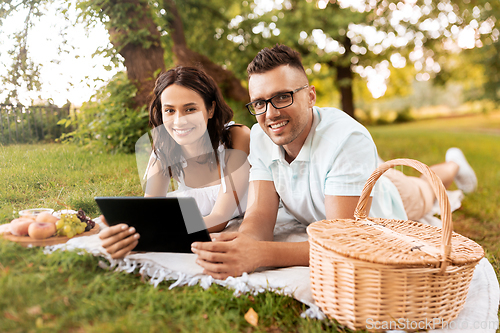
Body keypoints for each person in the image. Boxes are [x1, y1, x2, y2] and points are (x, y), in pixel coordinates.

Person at [191, 44, 478, 279]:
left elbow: (342, 242)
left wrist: (261, 254)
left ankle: (453, 164)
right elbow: (260, 215)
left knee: (425, 190)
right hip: (348, 176)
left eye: (282, 97)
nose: (270, 113)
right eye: (260, 103)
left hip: (389, 200)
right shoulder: (261, 135)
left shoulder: (347, 139)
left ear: (311, 96)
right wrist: (248, 242)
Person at [100, 66, 251, 259]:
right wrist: (134, 234)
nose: (179, 121)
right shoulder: (164, 148)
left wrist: (157, 232)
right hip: (196, 223)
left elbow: (221, 217)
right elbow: (150, 211)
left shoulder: (236, 136)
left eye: (190, 109)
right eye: (170, 111)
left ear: (210, 109)